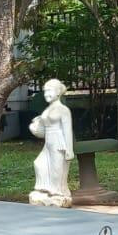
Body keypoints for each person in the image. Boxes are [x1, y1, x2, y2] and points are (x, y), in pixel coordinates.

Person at [28, 79, 73, 207]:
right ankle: (44, 189)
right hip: (48, 141)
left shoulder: (63, 110)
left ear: (58, 92)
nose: (46, 94)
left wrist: (69, 150)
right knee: (39, 164)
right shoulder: (48, 109)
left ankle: (57, 192)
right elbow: (43, 130)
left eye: (50, 91)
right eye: (45, 91)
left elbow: (67, 130)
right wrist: (35, 127)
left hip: (58, 141)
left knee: (56, 168)